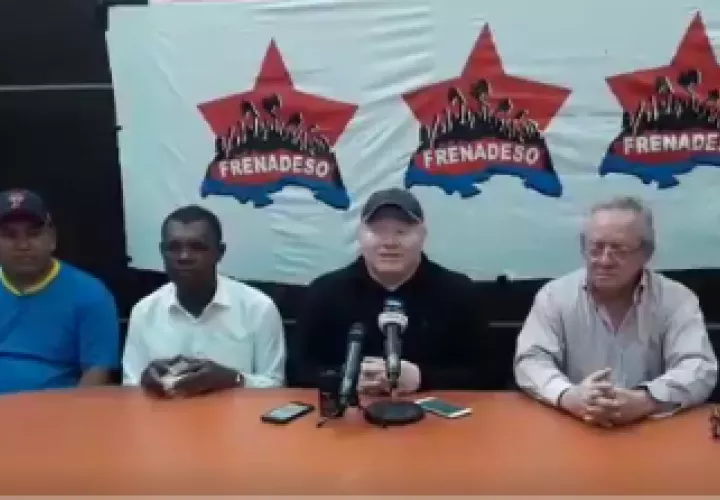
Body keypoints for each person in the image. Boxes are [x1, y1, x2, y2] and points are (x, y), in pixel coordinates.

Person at [514, 196, 717, 427]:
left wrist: (646, 400)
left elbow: (698, 367)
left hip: (651, 429)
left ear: (646, 253)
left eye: (619, 249)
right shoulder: (554, 296)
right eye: (596, 248)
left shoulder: (677, 299)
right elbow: (531, 360)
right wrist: (568, 396)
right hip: (574, 426)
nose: (605, 260)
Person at [290, 187, 500, 394]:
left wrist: (421, 378)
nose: (389, 243)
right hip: (348, 412)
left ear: (423, 235)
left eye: (401, 232)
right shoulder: (325, 293)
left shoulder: (458, 293)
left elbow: (490, 374)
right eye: (378, 231)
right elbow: (297, 371)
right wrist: (346, 378)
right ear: (360, 235)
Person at [122, 205, 286, 397]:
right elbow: (129, 387)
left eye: (197, 247)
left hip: (238, 416)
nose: (184, 257)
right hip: (165, 414)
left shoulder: (257, 309)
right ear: (162, 252)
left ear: (220, 252)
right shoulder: (144, 311)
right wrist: (145, 382)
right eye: (174, 248)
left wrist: (232, 379)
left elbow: (276, 386)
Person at [0, 189, 119, 394]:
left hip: (56, 409)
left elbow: (97, 374)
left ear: (52, 238)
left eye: (33, 234)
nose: (23, 245)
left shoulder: (91, 294)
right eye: (9, 235)